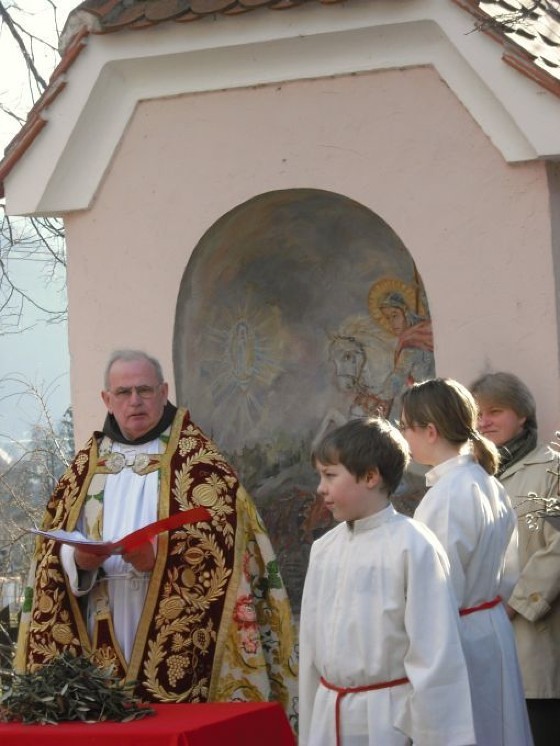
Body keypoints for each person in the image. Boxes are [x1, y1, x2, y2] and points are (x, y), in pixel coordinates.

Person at [15, 349, 298, 723]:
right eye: (123, 392)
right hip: (100, 621)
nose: (135, 401)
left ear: (164, 392)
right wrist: (77, 561)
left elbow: (229, 547)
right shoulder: (85, 467)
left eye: (144, 390)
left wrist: (162, 558)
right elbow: (50, 552)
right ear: (107, 399)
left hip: (180, 631)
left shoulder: (201, 463)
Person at [299, 417, 476, 746]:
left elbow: (435, 656)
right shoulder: (324, 549)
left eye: (330, 475)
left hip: (388, 720)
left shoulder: (413, 546)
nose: (320, 488)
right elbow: (310, 648)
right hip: (329, 714)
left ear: (370, 476)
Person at [400, 378, 533, 746]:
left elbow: (439, 591)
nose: (404, 436)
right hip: (491, 627)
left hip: (460, 640)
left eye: (406, 426)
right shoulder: (485, 480)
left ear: (430, 431)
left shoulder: (448, 495)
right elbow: (509, 572)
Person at [470, 371, 560, 746]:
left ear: (522, 415)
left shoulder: (553, 470)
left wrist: (516, 603)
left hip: (532, 640)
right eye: (478, 414)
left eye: (495, 411)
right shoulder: (471, 478)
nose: (484, 422)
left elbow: (558, 548)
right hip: (483, 643)